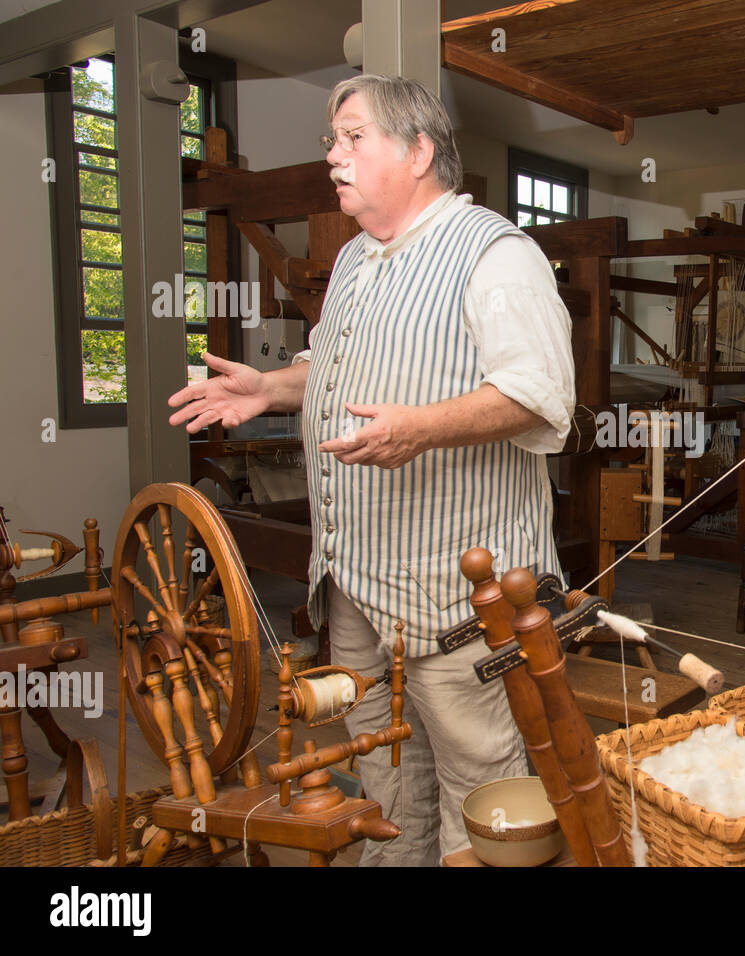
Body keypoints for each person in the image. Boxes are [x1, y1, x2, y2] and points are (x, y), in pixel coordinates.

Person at [167, 74, 576, 865]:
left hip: (457, 597)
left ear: (420, 150)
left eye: (354, 138)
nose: (333, 157)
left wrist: (421, 430)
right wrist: (271, 388)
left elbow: (540, 394)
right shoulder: (355, 257)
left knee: (480, 787)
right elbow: (332, 367)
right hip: (354, 585)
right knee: (382, 774)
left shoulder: (495, 254)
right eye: (332, 141)